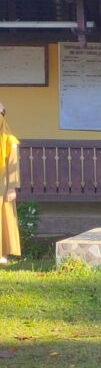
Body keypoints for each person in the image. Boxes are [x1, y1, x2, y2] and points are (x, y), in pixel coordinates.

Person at [0, 103, 21, 265]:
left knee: (3, 218)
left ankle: (3, 253)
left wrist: (12, 187)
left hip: (3, 185)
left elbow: (13, 165)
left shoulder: (9, 140)